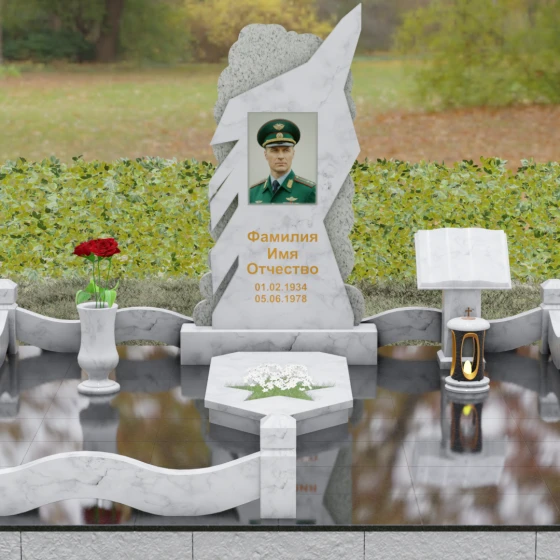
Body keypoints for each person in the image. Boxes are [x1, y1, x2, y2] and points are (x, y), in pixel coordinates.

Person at [249, 118, 316, 204]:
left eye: (286, 150)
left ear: (293, 154)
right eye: (274, 150)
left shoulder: (309, 191)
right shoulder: (253, 193)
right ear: (265, 155)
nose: (281, 156)